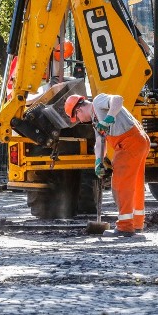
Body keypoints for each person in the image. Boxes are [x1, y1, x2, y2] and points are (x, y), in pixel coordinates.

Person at [64, 92, 149, 237]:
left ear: (78, 110)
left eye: (77, 117)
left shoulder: (98, 102)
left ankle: (125, 227)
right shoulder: (96, 122)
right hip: (138, 141)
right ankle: (136, 224)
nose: (79, 120)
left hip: (129, 143)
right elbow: (100, 143)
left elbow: (118, 99)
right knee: (134, 184)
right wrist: (98, 162)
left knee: (120, 185)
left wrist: (109, 117)